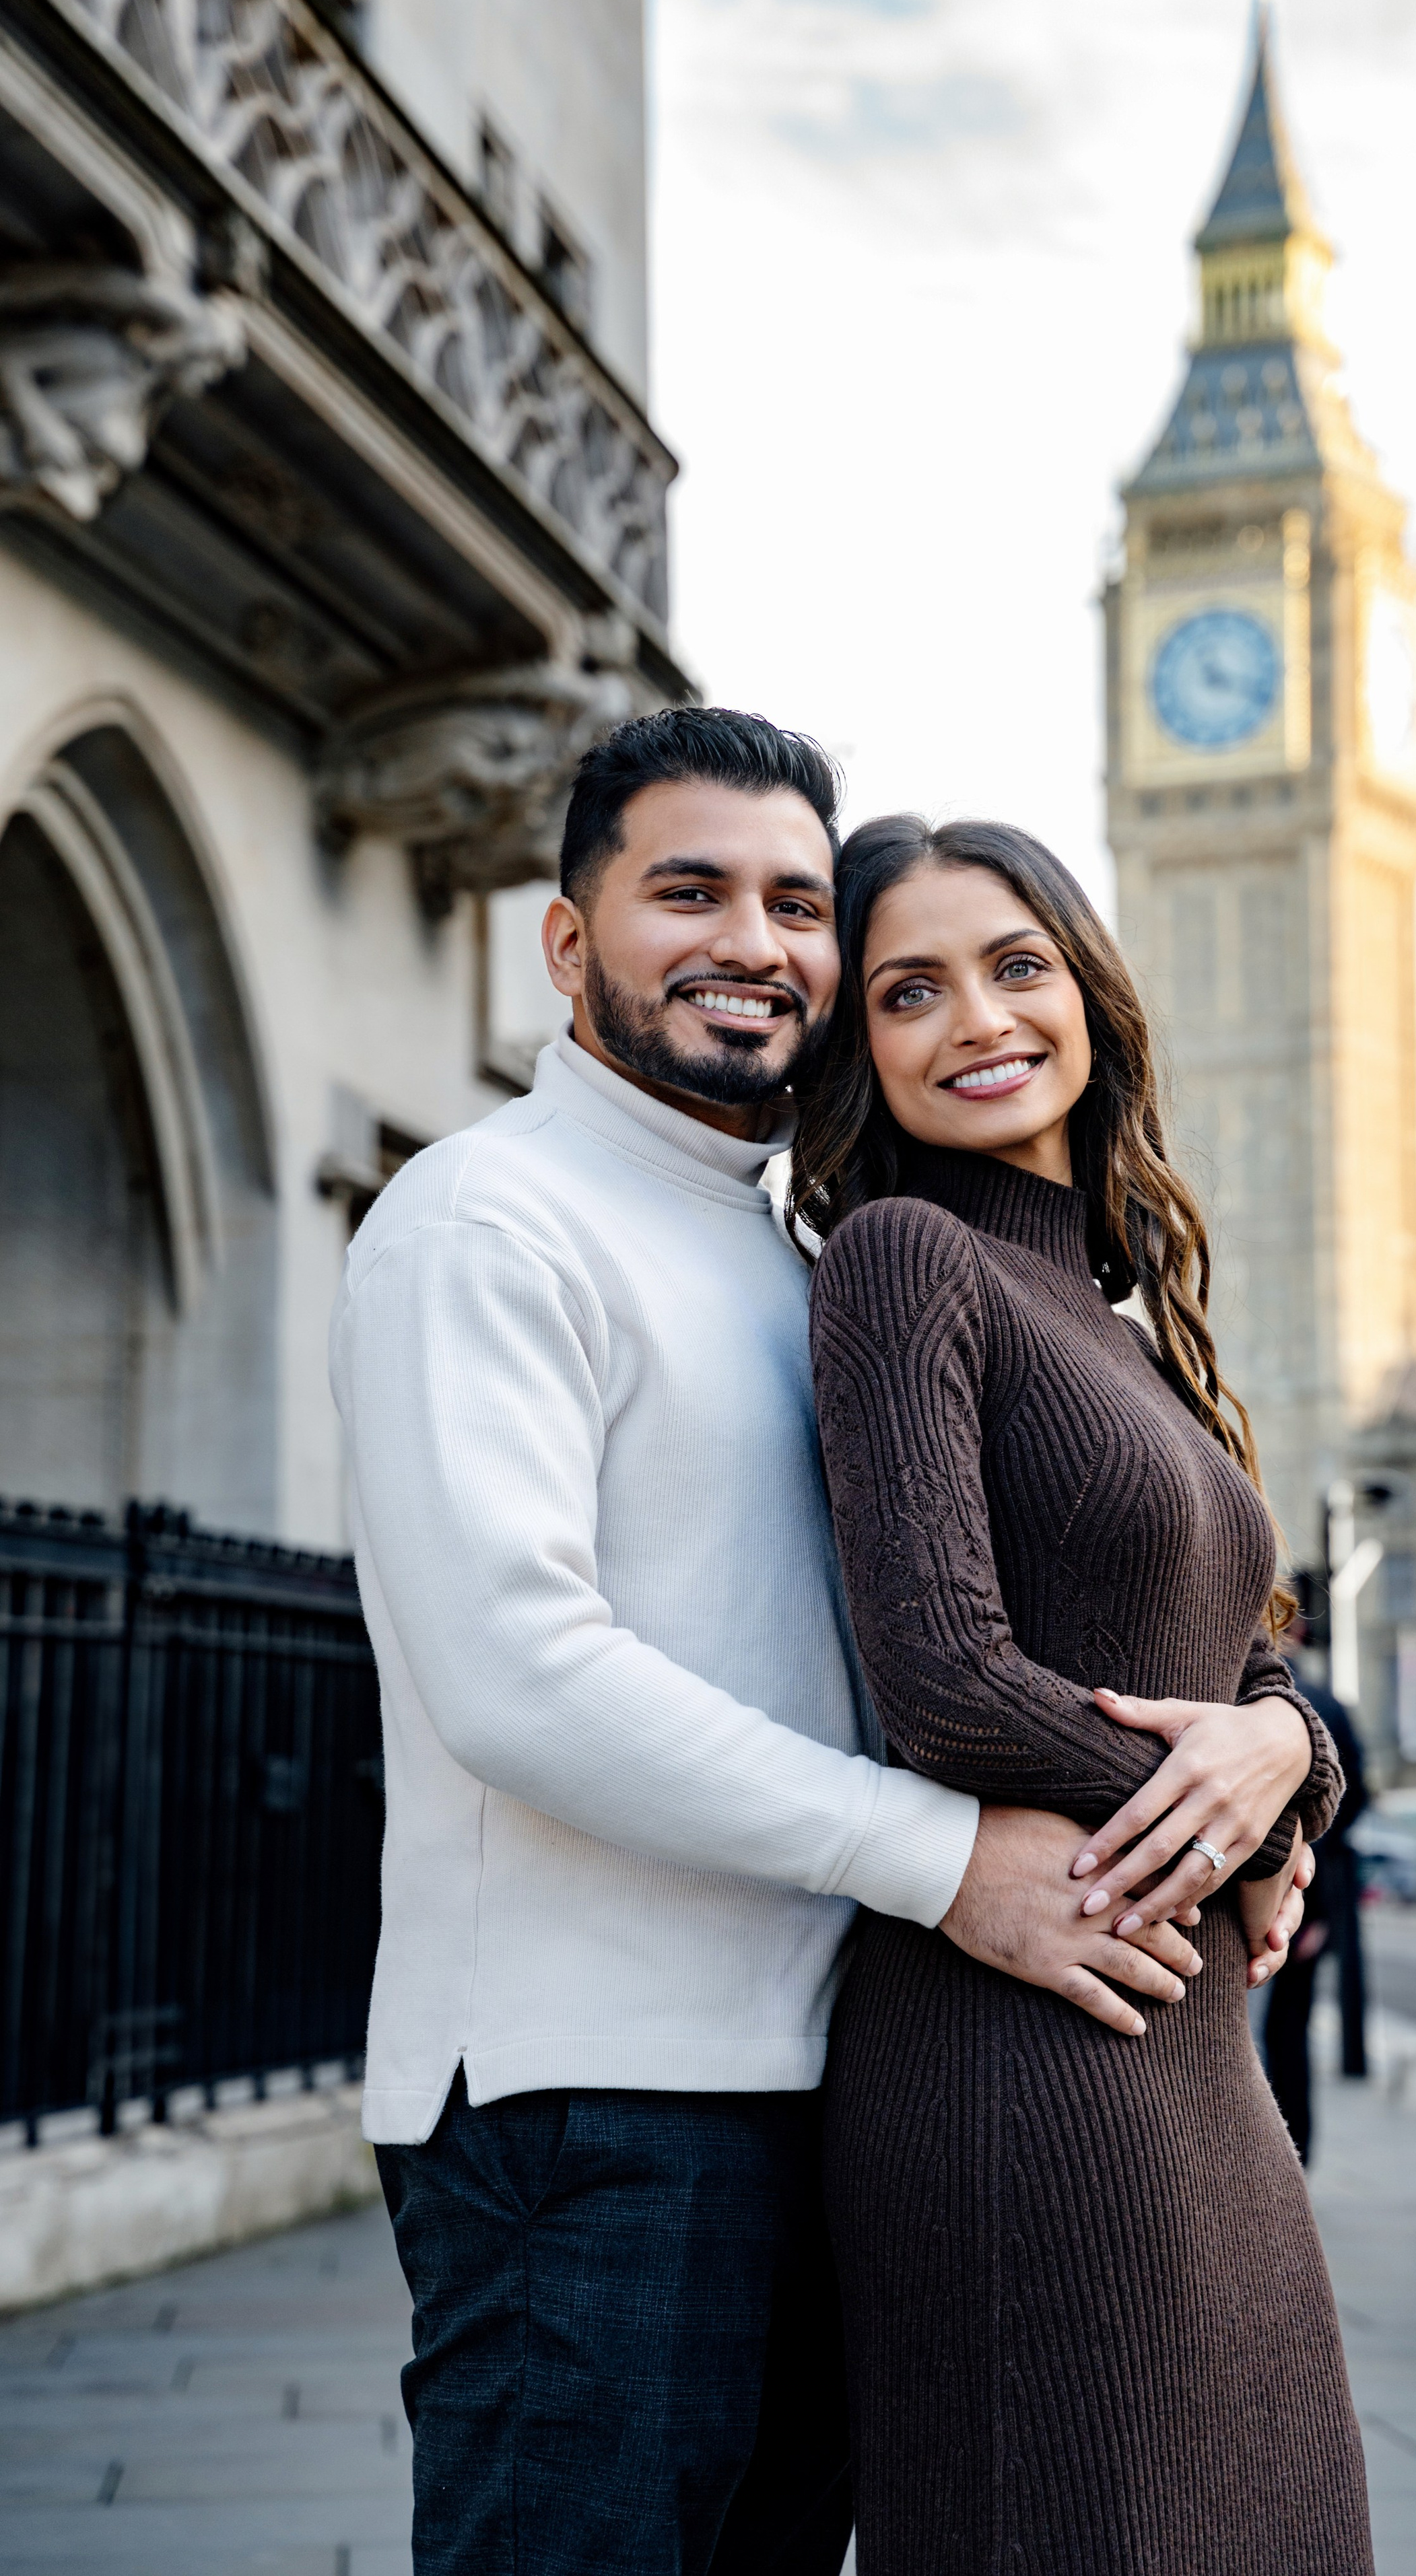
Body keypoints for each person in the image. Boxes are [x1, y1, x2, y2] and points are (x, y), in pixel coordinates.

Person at [329, 709, 1304, 2576]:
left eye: (793, 904)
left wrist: (1273, 1756)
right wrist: (947, 1862)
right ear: (565, 941)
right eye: (684, 892)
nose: (753, 944)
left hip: (817, 2092)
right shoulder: (484, 1222)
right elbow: (524, 1674)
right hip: (583, 2113)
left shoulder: (795, 1258)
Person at [791, 814, 1375, 2576]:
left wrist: (1291, 1751)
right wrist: (1240, 1801)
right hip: (1025, 2064)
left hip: (1187, 2054)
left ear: (1091, 997)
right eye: (910, 990)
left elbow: (1235, 1650)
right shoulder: (905, 1259)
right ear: (863, 1047)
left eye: (1015, 965)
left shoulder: (1115, 1322)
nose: (977, 1018)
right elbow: (945, 1677)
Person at [1265, 1678, 1372, 2160]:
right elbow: (1351, 1803)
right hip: (1308, 1893)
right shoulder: (1323, 1702)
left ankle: (1284, 2149)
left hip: (1279, 1888)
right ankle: (1295, 2151)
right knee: (1289, 2027)